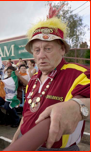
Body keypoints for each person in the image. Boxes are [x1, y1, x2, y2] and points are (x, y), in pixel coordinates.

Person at [12, 4, 90, 151]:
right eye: (37, 50)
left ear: (62, 49)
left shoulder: (78, 74)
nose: (41, 55)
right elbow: (26, 115)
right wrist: (15, 140)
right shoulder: (33, 79)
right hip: (24, 142)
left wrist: (79, 107)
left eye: (48, 48)